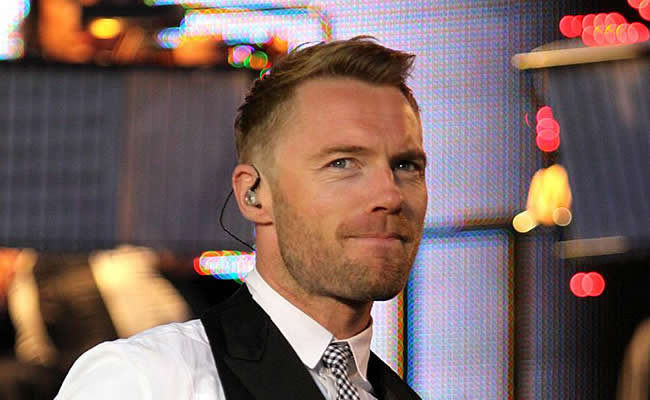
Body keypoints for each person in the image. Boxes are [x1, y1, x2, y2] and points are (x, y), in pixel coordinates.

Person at [56, 36, 427, 400]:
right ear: (254, 194)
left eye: (406, 165)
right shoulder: (146, 381)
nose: (390, 195)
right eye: (342, 163)